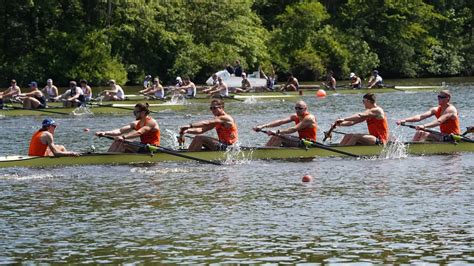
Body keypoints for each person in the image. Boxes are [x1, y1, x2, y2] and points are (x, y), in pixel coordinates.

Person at [396, 90, 460, 142]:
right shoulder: (435, 110)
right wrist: (405, 120)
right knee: (419, 132)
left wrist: (424, 126)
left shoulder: (451, 110)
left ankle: (418, 151)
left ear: (448, 98)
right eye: (438, 96)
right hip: (442, 135)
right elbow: (420, 117)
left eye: (441, 97)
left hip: (453, 137)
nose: (439, 98)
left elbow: (439, 121)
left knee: (424, 133)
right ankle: (412, 146)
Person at [95, 103, 161, 152]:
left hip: (152, 148)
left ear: (143, 112)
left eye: (136, 112)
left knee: (123, 142)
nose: (134, 114)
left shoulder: (151, 122)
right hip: (142, 146)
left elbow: (139, 132)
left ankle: (109, 159)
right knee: (118, 141)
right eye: (134, 112)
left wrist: (123, 137)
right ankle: (108, 156)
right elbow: (119, 131)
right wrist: (104, 133)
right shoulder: (136, 123)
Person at [253, 100, 317, 147]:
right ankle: (265, 150)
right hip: (301, 140)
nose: (297, 110)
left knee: (279, 137)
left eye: (300, 108)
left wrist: (277, 131)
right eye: (296, 108)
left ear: (305, 109)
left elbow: (294, 129)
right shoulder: (295, 116)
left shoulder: (309, 118)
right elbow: (280, 122)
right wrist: (262, 126)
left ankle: (267, 154)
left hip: (309, 143)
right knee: (276, 136)